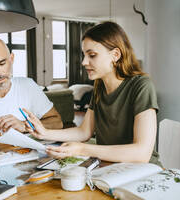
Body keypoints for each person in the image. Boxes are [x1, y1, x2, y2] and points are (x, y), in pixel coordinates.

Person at [25, 21, 161, 165]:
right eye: (84, 55)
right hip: (111, 166)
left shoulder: (141, 86)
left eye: (92, 55)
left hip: (144, 171)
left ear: (115, 55)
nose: (84, 62)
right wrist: (45, 133)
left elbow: (142, 154)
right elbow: (84, 132)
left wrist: (82, 149)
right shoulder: (99, 86)